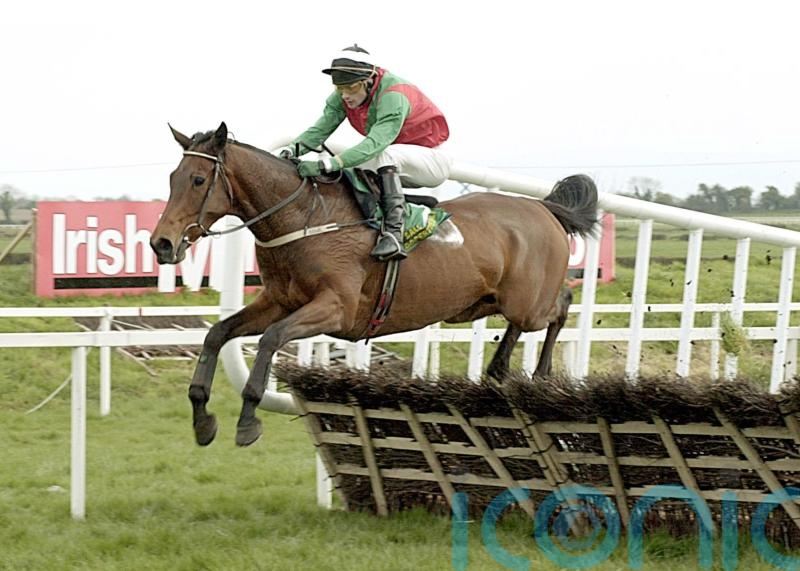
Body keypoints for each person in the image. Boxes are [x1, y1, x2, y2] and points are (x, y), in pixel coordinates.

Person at [280, 45, 451, 261]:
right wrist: (290, 150)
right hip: (395, 161)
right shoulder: (343, 96)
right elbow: (319, 131)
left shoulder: (394, 95)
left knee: (379, 155)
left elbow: (375, 144)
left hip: (431, 160)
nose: (345, 95)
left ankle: (394, 234)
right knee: (349, 170)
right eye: (339, 88)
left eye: (351, 88)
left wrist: (326, 164)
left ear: (369, 79)